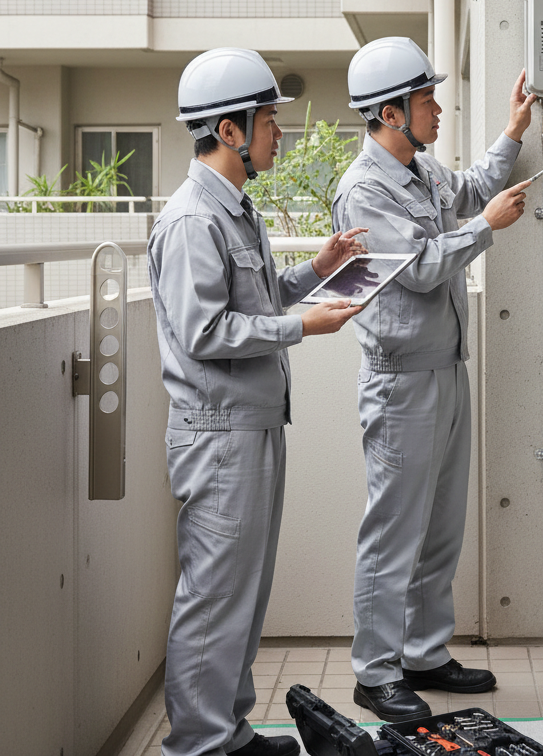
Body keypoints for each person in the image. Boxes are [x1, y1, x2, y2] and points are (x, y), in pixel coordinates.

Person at [149, 47, 367, 756]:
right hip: (218, 433)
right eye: (270, 121)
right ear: (230, 130)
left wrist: (318, 271)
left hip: (251, 426)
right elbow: (206, 331)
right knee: (213, 600)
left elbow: (256, 300)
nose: (281, 134)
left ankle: (229, 732)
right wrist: (304, 324)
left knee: (241, 595)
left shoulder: (234, 210)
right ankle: (200, 745)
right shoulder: (191, 221)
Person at [332, 36, 536, 722]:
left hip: (445, 371)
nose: (438, 108)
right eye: (426, 100)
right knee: (394, 531)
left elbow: (470, 190)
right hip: (401, 383)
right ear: (390, 113)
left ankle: (422, 652)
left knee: (442, 526)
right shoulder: (364, 188)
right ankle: (375, 671)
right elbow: (417, 267)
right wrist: (485, 227)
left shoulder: (419, 170)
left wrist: (511, 133)